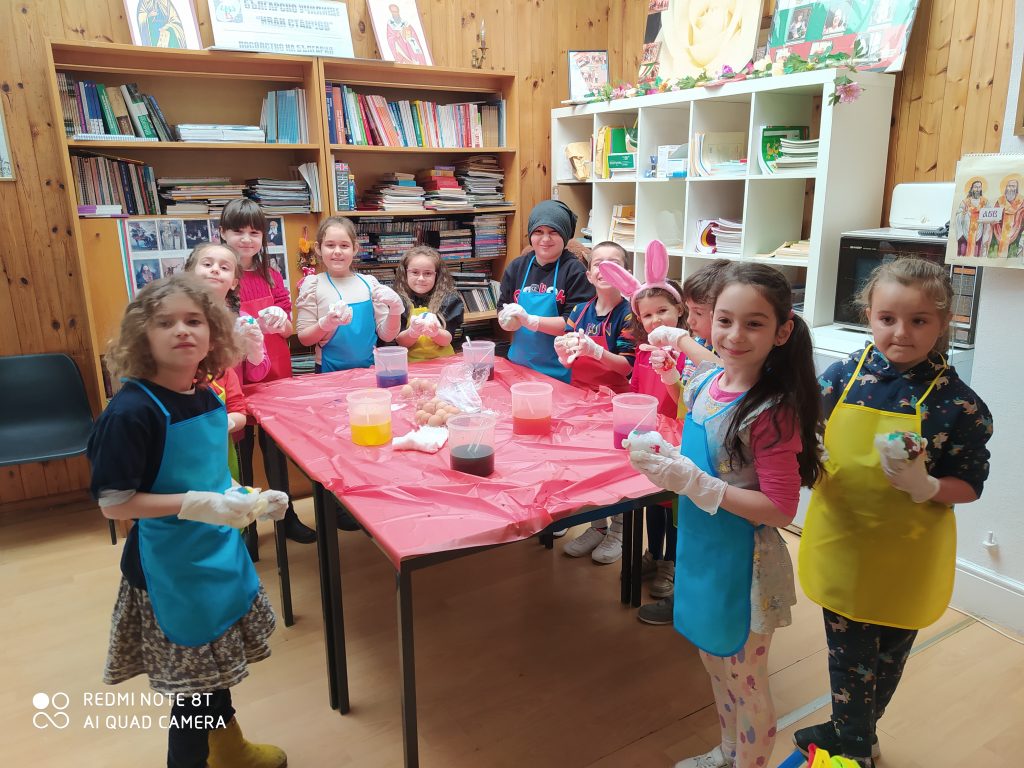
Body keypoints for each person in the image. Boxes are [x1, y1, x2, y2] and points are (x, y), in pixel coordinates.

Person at [794, 258, 993, 768]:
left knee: (886, 658)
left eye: (918, 320)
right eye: (887, 319)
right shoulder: (843, 376)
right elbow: (807, 431)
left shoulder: (959, 405)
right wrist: (811, 460)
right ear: (869, 316)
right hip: (844, 543)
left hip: (907, 554)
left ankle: (848, 730)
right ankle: (856, 748)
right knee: (850, 658)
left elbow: (971, 486)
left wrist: (928, 486)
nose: (901, 333)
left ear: (942, 323)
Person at [87, 274, 289, 768]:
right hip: (168, 570)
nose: (182, 330)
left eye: (194, 320)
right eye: (166, 322)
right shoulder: (131, 412)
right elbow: (114, 503)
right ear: (143, 336)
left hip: (216, 557)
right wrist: (195, 504)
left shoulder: (204, 395)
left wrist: (247, 498)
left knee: (211, 676)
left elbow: (212, 476)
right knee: (193, 699)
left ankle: (228, 749)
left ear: (214, 333)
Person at [627, 263, 823, 768]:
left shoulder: (771, 410)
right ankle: (729, 752)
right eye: (725, 320)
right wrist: (667, 462)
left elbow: (780, 509)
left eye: (754, 324)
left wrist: (696, 483)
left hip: (745, 566)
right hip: (701, 550)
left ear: (782, 332)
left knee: (746, 680)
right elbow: (704, 440)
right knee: (716, 666)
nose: (735, 335)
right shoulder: (709, 382)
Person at [602, 249, 726, 625]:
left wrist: (675, 366)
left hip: (688, 442)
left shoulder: (699, 349)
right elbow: (650, 393)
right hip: (657, 435)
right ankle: (654, 555)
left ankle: (671, 564)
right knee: (655, 504)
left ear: (680, 311)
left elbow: (691, 398)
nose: (656, 320)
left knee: (676, 509)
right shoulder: (645, 351)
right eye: (648, 315)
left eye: (663, 311)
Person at [219, 199, 313, 544]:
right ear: (222, 233)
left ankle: (286, 518)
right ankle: (245, 527)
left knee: (275, 450)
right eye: (238, 231)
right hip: (233, 376)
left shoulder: (271, 276)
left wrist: (280, 321)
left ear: (263, 237)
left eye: (254, 232)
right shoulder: (220, 277)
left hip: (273, 373)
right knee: (241, 452)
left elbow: (289, 328)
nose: (246, 239)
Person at [555, 240, 636, 565]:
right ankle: (597, 526)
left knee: (615, 469)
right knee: (586, 466)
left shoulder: (629, 314)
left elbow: (627, 366)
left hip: (617, 403)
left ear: (626, 274)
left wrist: (598, 351)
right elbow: (569, 356)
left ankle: (619, 529)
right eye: (598, 263)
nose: (605, 269)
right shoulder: (579, 311)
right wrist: (565, 353)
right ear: (589, 274)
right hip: (581, 400)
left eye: (613, 263)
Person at [184, 241, 269, 481]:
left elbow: (257, 374)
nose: (215, 270)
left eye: (224, 267)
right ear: (190, 272)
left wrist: (254, 348)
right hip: (185, 418)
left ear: (234, 282)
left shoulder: (243, 319)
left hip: (230, 413)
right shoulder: (177, 316)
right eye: (207, 264)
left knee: (237, 478)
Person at [497, 200, 595, 383]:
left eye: (553, 232)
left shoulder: (575, 271)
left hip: (558, 372)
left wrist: (531, 321)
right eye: (538, 232)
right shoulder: (517, 267)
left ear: (564, 235)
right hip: (518, 367)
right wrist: (505, 320)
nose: (545, 239)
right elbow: (502, 305)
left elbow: (574, 324)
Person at [295, 215, 404, 372]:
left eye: (344, 245)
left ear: (355, 249)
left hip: (370, 371)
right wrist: (325, 324)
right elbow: (305, 339)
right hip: (328, 372)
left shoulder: (370, 284)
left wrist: (395, 309)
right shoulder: (313, 285)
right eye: (330, 245)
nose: (337, 251)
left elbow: (387, 335)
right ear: (318, 248)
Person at [392, 245, 464, 361]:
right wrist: (412, 332)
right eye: (415, 272)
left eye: (428, 273)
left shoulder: (449, 299)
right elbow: (401, 342)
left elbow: (447, 340)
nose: (421, 278)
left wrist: (435, 333)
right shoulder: (397, 300)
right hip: (410, 363)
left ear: (437, 275)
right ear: (405, 273)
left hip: (443, 362)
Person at [954, 178, 990, 258]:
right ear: (972, 188)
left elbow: (990, 215)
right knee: (963, 255)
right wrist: (963, 214)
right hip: (965, 233)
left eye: (979, 187)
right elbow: (958, 216)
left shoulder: (985, 202)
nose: (977, 189)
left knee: (976, 255)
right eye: (975, 187)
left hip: (979, 233)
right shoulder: (965, 202)